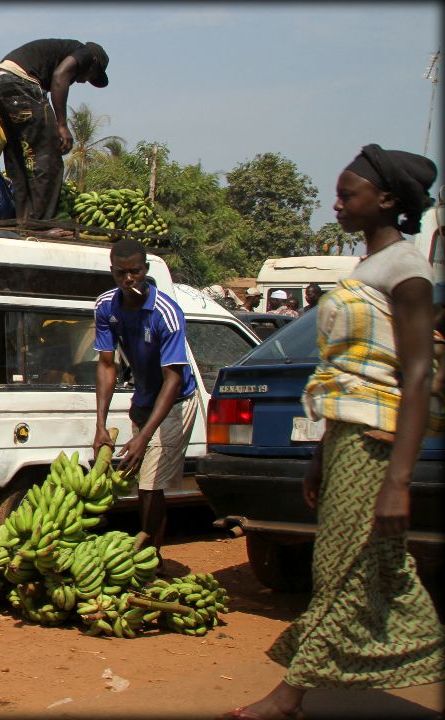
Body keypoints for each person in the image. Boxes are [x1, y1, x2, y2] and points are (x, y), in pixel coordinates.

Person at [225, 146, 443, 720]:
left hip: (377, 445)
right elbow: (342, 376)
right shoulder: (366, 268)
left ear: (387, 200)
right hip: (347, 438)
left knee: (344, 567)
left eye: (348, 195)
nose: (338, 204)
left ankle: (289, 695)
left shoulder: (407, 271)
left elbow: (417, 377)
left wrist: (398, 480)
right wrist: (322, 454)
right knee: (376, 565)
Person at [91, 237, 199, 566]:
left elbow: (174, 377)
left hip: (175, 400)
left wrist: (144, 436)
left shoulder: (166, 313)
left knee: (151, 485)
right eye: (121, 273)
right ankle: (146, 550)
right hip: (144, 397)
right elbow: (107, 365)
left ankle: (151, 561)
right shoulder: (106, 307)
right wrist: (99, 425)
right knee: (139, 484)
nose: (129, 280)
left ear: (145, 270)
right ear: (112, 272)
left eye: (135, 272)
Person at [0, 39, 109, 221]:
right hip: (20, 81)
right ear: (93, 64)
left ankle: (22, 217)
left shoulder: (59, 52)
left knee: (17, 156)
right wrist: (61, 125)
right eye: (90, 76)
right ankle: (41, 221)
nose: (83, 82)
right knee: (48, 155)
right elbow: (60, 77)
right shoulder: (86, 53)